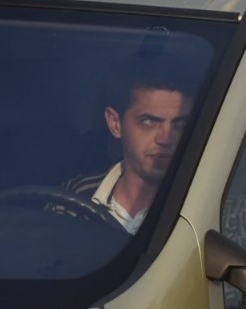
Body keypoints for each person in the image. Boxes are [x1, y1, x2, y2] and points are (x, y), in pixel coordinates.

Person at [57, 59, 194, 234]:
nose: (166, 138)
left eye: (180, 124)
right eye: (149, 121)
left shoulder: (211, 205)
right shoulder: (71, 199)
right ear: (115, 123)